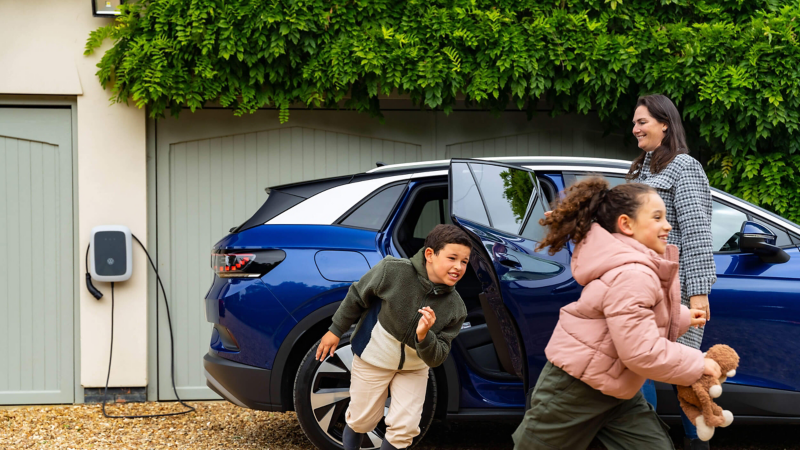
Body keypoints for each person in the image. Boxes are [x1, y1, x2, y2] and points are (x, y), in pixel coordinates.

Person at [512, 177, 718, 450]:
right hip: (576, 389)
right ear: (626, 225)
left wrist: (680, 316)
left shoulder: (636, 264)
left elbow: (633, 317)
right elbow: (641, 351)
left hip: (617, 389)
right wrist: (697, 364)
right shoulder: (633, 273)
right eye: (657, 217)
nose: (667, 225)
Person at [315, 224, 471, 450]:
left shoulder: (456, 308)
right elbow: (357, 296)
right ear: (430, 254)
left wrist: (424, 336)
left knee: (404, 429)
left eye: (464, 261)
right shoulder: (393, 270)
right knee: (362, 420)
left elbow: (438, 357)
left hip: (414, 368)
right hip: (373, 358)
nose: (458, 267)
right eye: (452, 258)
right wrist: (335, 330)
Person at [630, 94, 717, 450]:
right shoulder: (638, 170)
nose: (634, 128)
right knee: (637, 366)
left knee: (686, 377)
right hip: (638, 287)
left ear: (664, 124)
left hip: (675, 290)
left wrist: (698, 293)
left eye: (642, 122)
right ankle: (644, 441)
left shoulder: (684, 167)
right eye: (634, 123)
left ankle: (698, 443)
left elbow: (697, 233)